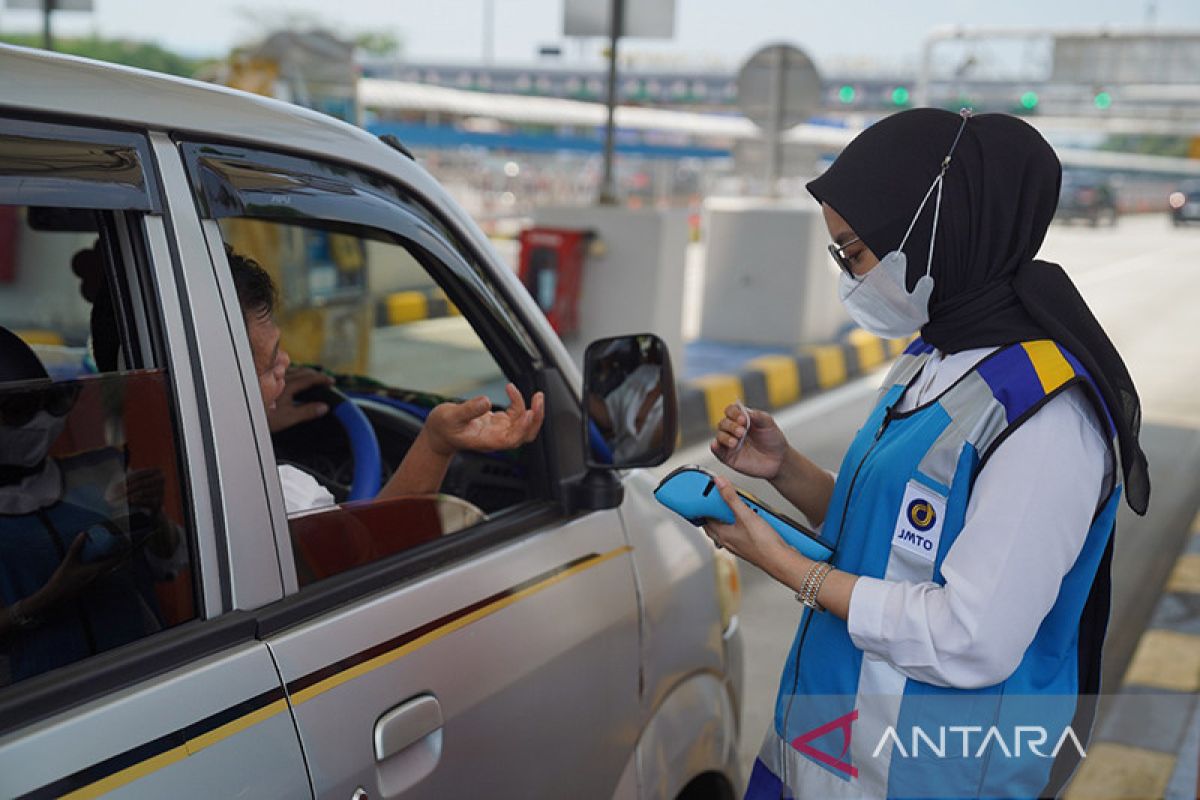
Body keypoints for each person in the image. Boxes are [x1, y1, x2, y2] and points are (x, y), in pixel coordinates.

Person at [703, 109, 1149, 799]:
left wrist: (782, 565)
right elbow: (897, 537)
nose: (849, 276)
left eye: (853, 253)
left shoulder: (1049, 419)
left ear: (939, 232)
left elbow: (969, 637)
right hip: (818, 756)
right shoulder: (929, 357)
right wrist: (786, 470)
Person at [226, 247, 545, 514]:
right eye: (269, 367)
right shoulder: (283, 498)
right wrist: (435, 444)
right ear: (222, 392)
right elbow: (366, 550)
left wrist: (260, 418)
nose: (287, 364)